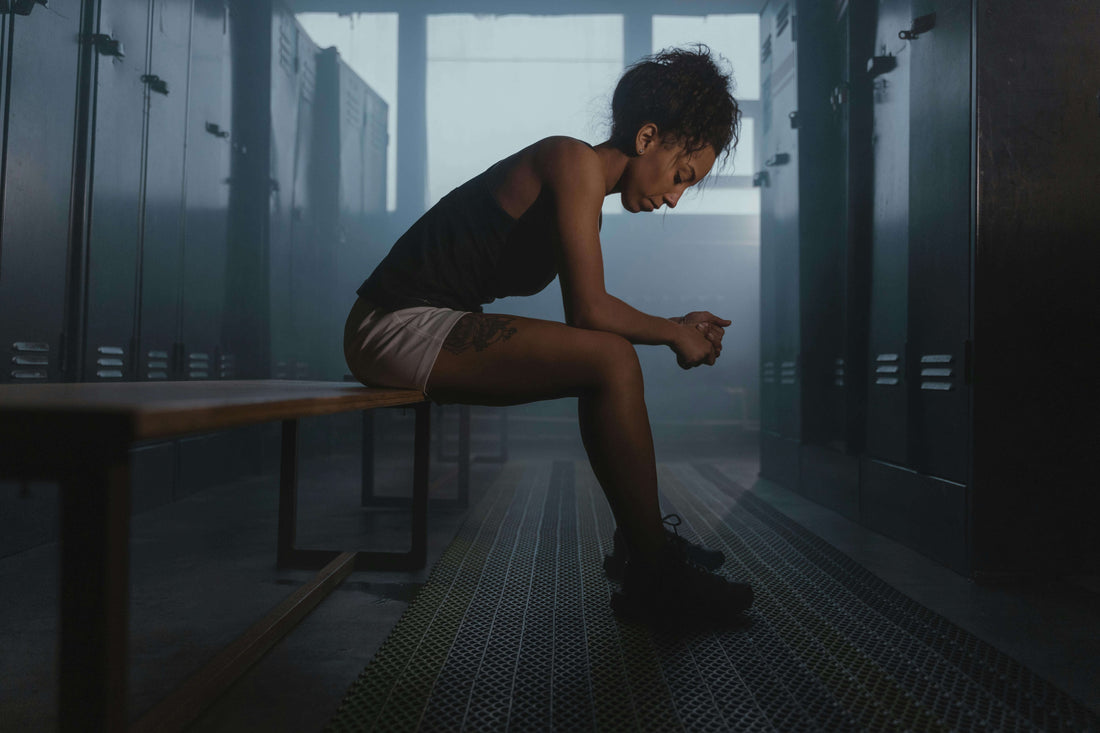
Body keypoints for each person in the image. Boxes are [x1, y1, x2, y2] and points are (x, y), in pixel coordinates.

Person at [345, 45, 753, 624]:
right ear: (647, 138)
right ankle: (655, 572)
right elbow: (588, 312)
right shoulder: (572, 162)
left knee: (606, 362)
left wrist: (674, 326)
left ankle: (644, 551)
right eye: (681, 176)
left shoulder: (583, 184)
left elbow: (592, 312)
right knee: (610, 361)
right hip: (393, 325)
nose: (673, 197)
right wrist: (672, 334)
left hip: (425, 322)